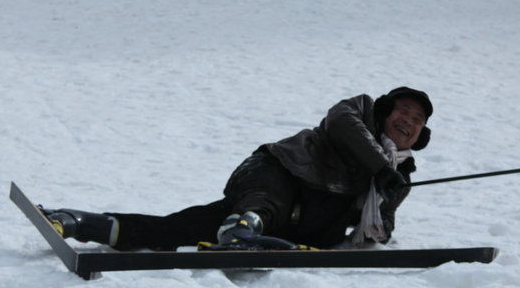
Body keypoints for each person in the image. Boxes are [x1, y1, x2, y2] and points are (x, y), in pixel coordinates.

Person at [42, 86, 432, 251]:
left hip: (290, 229)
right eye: (403, 110)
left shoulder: (397, 176)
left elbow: (380, 232)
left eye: (417, 119)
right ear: (385, 111)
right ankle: (243, 228)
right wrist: (379, 169)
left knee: (175, 228)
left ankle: (81, 222)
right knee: (267, 203)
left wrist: (386, 198)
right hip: (273, 176)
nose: (408, 121)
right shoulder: (358, 110)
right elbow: (339, 123)